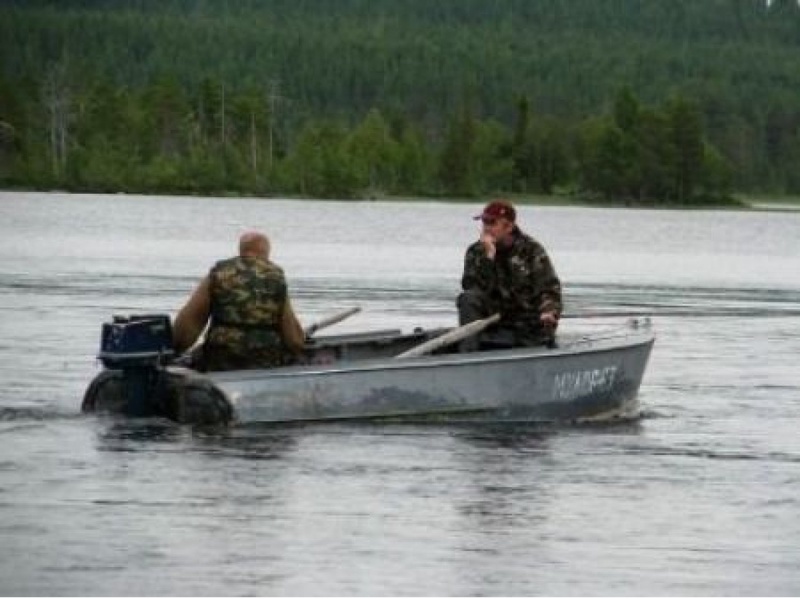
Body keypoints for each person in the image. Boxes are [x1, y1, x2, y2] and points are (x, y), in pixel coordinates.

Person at [172, 230, 306, 371]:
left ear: (241, 250)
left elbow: (189, 325)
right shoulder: (275, 276)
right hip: (264, 359)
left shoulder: (220, 272)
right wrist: (298, 348)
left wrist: (175, 349)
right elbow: (293, 338)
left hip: (220, 357)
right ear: (266, 252)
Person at [457, 199, 562, 351]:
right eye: (484, 222)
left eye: (492, 223)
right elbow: (473, 288)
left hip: (526, 321)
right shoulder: (476, 251)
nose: (486, 228)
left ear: (509, 227)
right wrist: (488, 258)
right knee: (468, 298)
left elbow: (549, 289)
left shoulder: (531, 250)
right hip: (492, 319)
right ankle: (468, 354)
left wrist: (548, 312)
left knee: (539, 325)